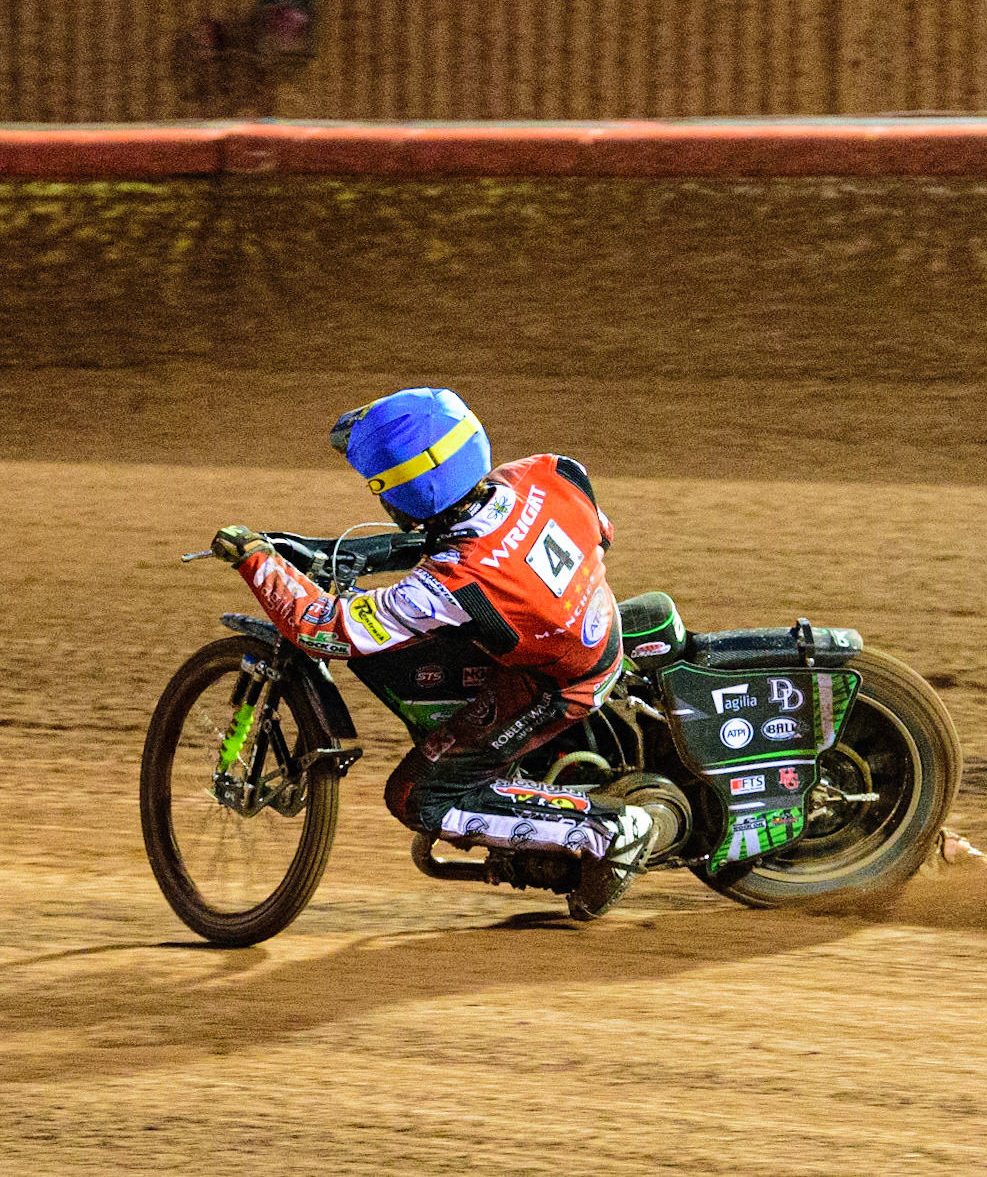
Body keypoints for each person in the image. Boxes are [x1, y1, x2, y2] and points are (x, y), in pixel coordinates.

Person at [209, 387, 654, 918]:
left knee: (417, 797)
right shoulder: (552, 472)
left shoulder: (451, 585)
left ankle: (608, 830)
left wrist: (257, 562)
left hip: (559, 685)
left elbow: (324, 627)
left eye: (380, 489)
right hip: (593, 626)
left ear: (406, 493)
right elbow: (592, 535)